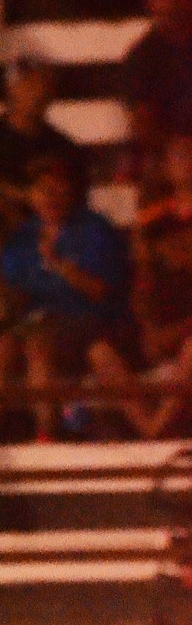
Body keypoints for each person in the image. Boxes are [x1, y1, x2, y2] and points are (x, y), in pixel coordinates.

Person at [0, 156, 135, 444]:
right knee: (3, 346)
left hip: (89, 321)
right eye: (43, 190)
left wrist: (59, 264)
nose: (51, 197)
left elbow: (102, 291)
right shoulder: (24, 236)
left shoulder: (94, 229)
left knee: (38, 342)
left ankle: (48, 432)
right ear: (31, 195)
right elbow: (14, 297)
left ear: (72, 193)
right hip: (37, 322)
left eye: (59, 190)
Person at [0, 57, 81, 239]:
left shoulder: (64, 149)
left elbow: (74, 202)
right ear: (12, 88)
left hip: (45, 239)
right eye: (31, 83)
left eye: (46, 84)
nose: (40, 92)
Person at [131, 132, 192, 437]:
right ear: (167, 166)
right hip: (165, 315)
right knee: (101, 355)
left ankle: (154, 435)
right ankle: (149, 431)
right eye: (180, 155)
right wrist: (148, 325)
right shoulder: (152, 217)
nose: (188, 163)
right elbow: (143, 272)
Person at [121, 0, 192, 146]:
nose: (171, 3)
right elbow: (143, 121)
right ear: (150, 2)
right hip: (172, 151)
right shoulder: (142, 57)